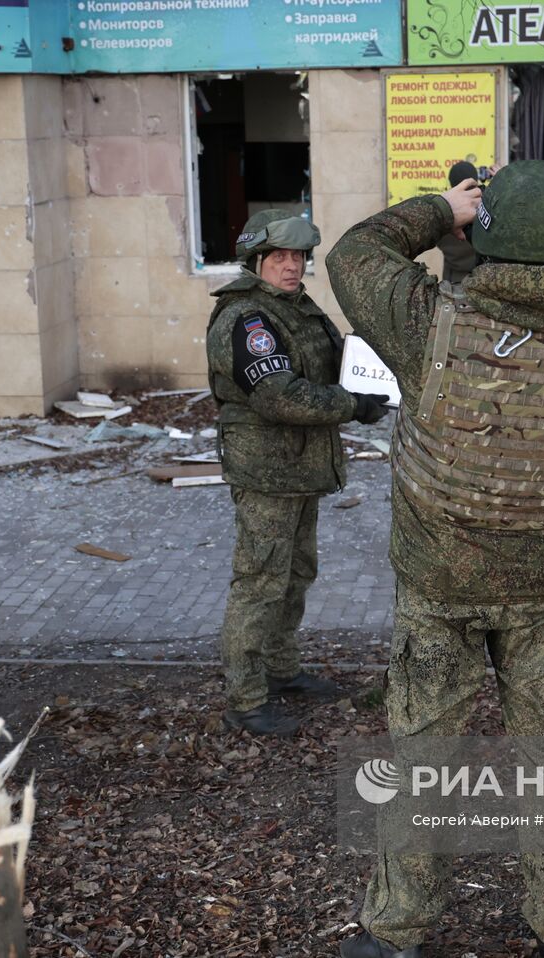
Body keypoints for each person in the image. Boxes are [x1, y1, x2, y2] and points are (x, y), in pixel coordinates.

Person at [326, 162, 544, 957]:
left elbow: (356, 253)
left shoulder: (422, 322)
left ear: (488, 237)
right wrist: (505, 229)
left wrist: (449, 209)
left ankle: (398, 932)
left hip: (439, 591)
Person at [205, 209, 392, 738]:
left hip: (300, 467)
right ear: (256, 260)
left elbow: (329, 365)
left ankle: (282, 671)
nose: (293, 267)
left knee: (295, 575)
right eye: (281, 257)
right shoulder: (248, 319)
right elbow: (277, 395)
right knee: (260, 582)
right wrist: (352, 404)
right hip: (267, 470)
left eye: (299, 257)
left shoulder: (293, 307)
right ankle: (245, 699)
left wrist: (371, 375)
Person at [434, 161, 479, 284]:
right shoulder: (489, 207)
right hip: (482, 281)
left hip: (453, 281)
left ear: (451, 183)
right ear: (475, 180)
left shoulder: (443, 211)